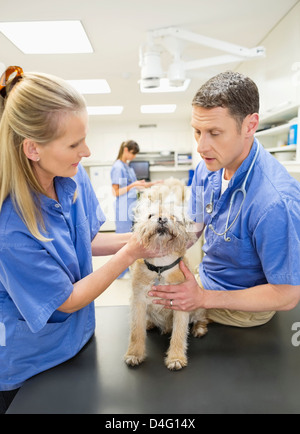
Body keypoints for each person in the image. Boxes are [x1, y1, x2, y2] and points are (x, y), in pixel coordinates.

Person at [0, 66, 159, 413]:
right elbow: (67, 299)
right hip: (28, 363)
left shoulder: (72, 175)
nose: (86, 151)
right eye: (74, 143)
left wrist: (141, 238)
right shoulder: (9, 226)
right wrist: (131, 252)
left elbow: (82, 243)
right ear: (33, 149)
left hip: (78, 340)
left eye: (84, 138)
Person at [149, 71, 300, 327]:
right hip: (205, 282)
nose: (201, 146)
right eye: (197, 131)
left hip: (243, 309)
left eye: (214, 132)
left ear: (250, 125)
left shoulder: (276, 202)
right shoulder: (206, 168)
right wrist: (153, 244)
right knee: (148, 305)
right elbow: (193, 229)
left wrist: (203, 298)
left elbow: (286, 295)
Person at [110, 140, 158, 278]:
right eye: (132, 153)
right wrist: (134, 185)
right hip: (123, 208)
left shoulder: (128, 167)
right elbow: (116, 192)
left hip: (131, 207)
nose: (134, 157)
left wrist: (153, 183)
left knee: (130, 240)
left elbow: (134, 185)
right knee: (122, 242)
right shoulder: (118, 167)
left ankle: (129, 269)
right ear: (125, 150)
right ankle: (120, 273)